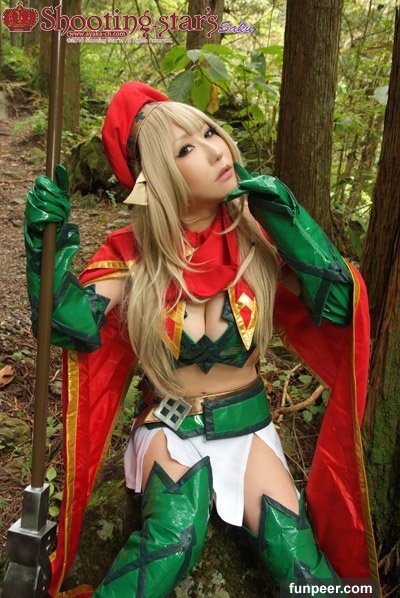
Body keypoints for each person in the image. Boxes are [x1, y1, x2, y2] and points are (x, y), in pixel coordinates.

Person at [24, 82, 379, 598]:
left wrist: (290, 221)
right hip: (171, 426)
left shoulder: (257, 239)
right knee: (173, 539)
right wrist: (45, 248)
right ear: (157, 176)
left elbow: (341, 307)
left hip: (247, 425)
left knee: (298, 560)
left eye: (210, 132)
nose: (215, 151)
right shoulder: (133, 253)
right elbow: (68, 325)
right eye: (186, 148)